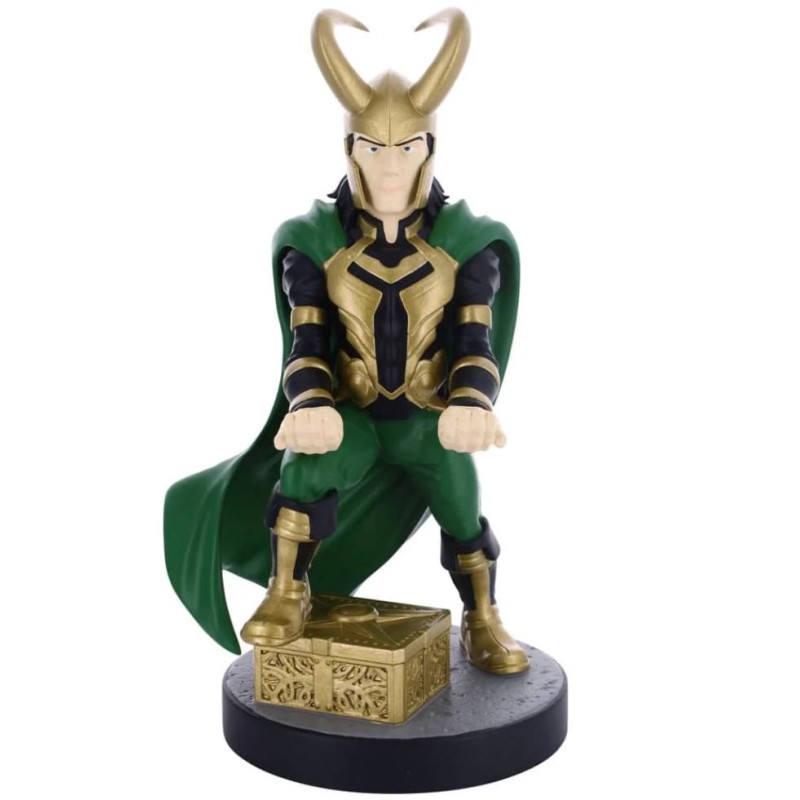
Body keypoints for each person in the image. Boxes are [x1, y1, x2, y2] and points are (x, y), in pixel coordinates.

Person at [165, 8, 529, 675]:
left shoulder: (465, 242)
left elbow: (474, 336)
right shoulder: (314, 241)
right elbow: (306, 338)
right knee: (303, 468)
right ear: (350, 148)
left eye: (406, 148)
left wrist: (472, 400)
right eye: (372, 148)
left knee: (462, 505)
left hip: (424, 421)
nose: (389, 168)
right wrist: (309, 403)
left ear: (429, 147)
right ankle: (287, 590)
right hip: (352, 417)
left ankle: (483, 614)